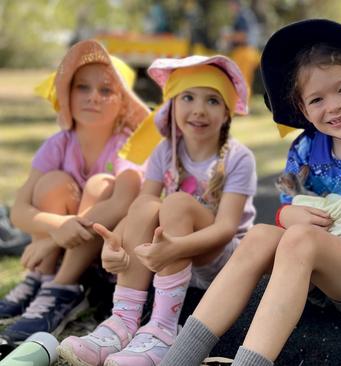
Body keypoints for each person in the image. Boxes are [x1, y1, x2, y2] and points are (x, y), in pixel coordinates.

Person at [160, 19, 341, 366]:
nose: (334, 106)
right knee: (258, 237)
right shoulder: (303, 148)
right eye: (317, 98)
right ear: (302, 109)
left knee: (302, 239)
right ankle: (179, 357)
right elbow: (288, 205)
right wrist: (287, 214)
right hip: (314, 277)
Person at [57, 54, 256, 366]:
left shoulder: (238, 157)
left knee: (174, 202)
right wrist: (118, 246)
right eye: (188, 97)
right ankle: (123, 323)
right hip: (172, 251)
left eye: (213, 100)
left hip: (223, 259)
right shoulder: (165, 150)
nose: (199, 109)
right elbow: (141, 208)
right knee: (150, 203)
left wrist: (175, 247)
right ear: (172, 105)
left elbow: (226, 228)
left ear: (228, 113)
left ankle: (163, 331)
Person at [0, 40, 149, 342]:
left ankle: (64, 288)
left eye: (106, 90)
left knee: (100, 185)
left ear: (123, 102)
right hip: (56, 250)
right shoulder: (59, 143)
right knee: (52, 182)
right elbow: (19, 211)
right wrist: (58, 231)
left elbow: (122, 202)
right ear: (67, 94)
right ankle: (40, 277)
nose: (94, 96)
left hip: (105, 256)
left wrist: (57, 235)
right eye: (83, 87)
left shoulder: (127, 145)